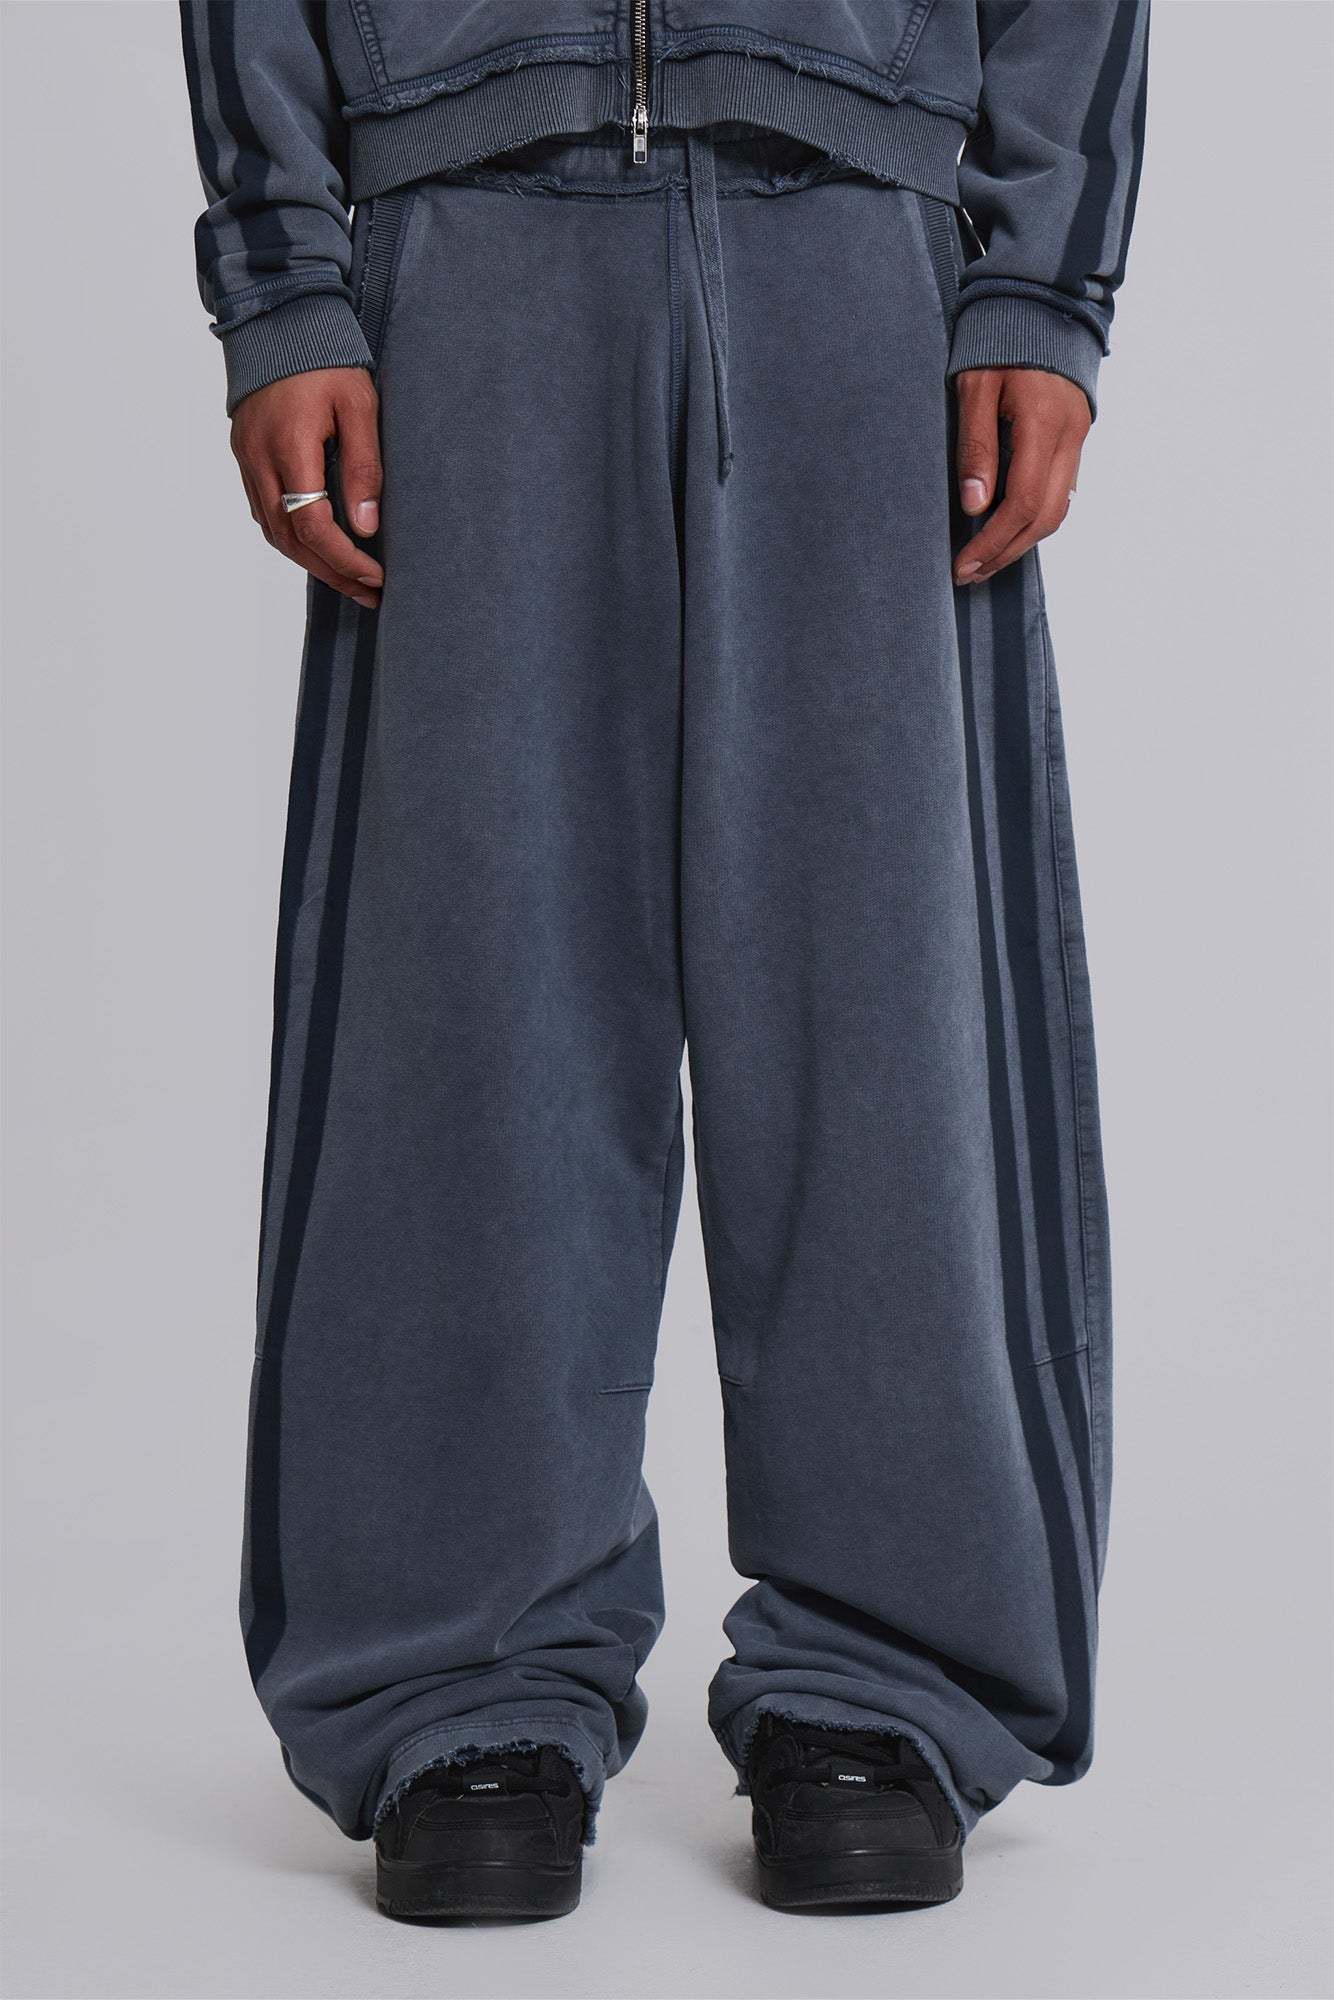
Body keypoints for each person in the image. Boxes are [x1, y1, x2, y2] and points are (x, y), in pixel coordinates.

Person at [181, 0, 1147, 1920]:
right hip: (457, 242)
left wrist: (1041, 280)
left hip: (863, 248)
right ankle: (463, 1681)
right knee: (462, 1016)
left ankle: (886, 1676)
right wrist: (283, 277)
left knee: (891, 1016)